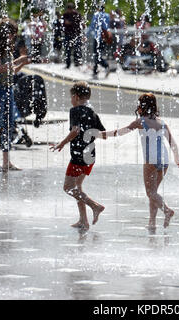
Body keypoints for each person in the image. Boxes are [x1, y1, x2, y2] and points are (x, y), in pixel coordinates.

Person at [98, 93, 179, 230]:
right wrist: (177, 158)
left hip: (151, 160)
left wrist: (101, 134)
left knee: (151, 193)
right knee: (154, 193)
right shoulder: (161, 122)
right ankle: (152, 223)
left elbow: (119, 132)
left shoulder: (140, 122)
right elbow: (172, 142)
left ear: (142, 106)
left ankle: (167, 211)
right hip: (164, 160)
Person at [50, 81, 105, 231]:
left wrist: (61, 144)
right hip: (90, 155)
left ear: (75, 96)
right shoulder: (92, 111)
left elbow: (75, 131)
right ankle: (83, 221)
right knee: (77, 188)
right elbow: (102, 134)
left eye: (71, 97)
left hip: (79, 156)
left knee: (68, 188)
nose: (71, 100)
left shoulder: (75, 110)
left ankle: (95, 206)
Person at [0, 17, 32, 172]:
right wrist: (18, 59)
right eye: (11, 33)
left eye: (14, 34)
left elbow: (10, 71)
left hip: (7, 88)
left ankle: (6, 162)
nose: (12, 37)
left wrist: (22, 64)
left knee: (8, 125)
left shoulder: (7, 46)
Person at [88, 4, 110, 79]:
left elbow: (92, 26)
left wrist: (86, 35)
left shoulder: (96, 15)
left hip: (97, 37)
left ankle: (105, 66)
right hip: (104, 38)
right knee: (99, 55)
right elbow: (107, 27)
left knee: (96, 55)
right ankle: (95, 71)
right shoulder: (107, 15)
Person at [62, 3, 84, 69]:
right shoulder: (65, 15)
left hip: (76, 34)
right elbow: (64, 23)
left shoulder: (77, 14)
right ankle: (68, 64)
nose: (69, 11)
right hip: (68, 34)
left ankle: (76, 62)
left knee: (77, 49)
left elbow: (80, 23)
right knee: (67, 50)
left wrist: (69, 22)